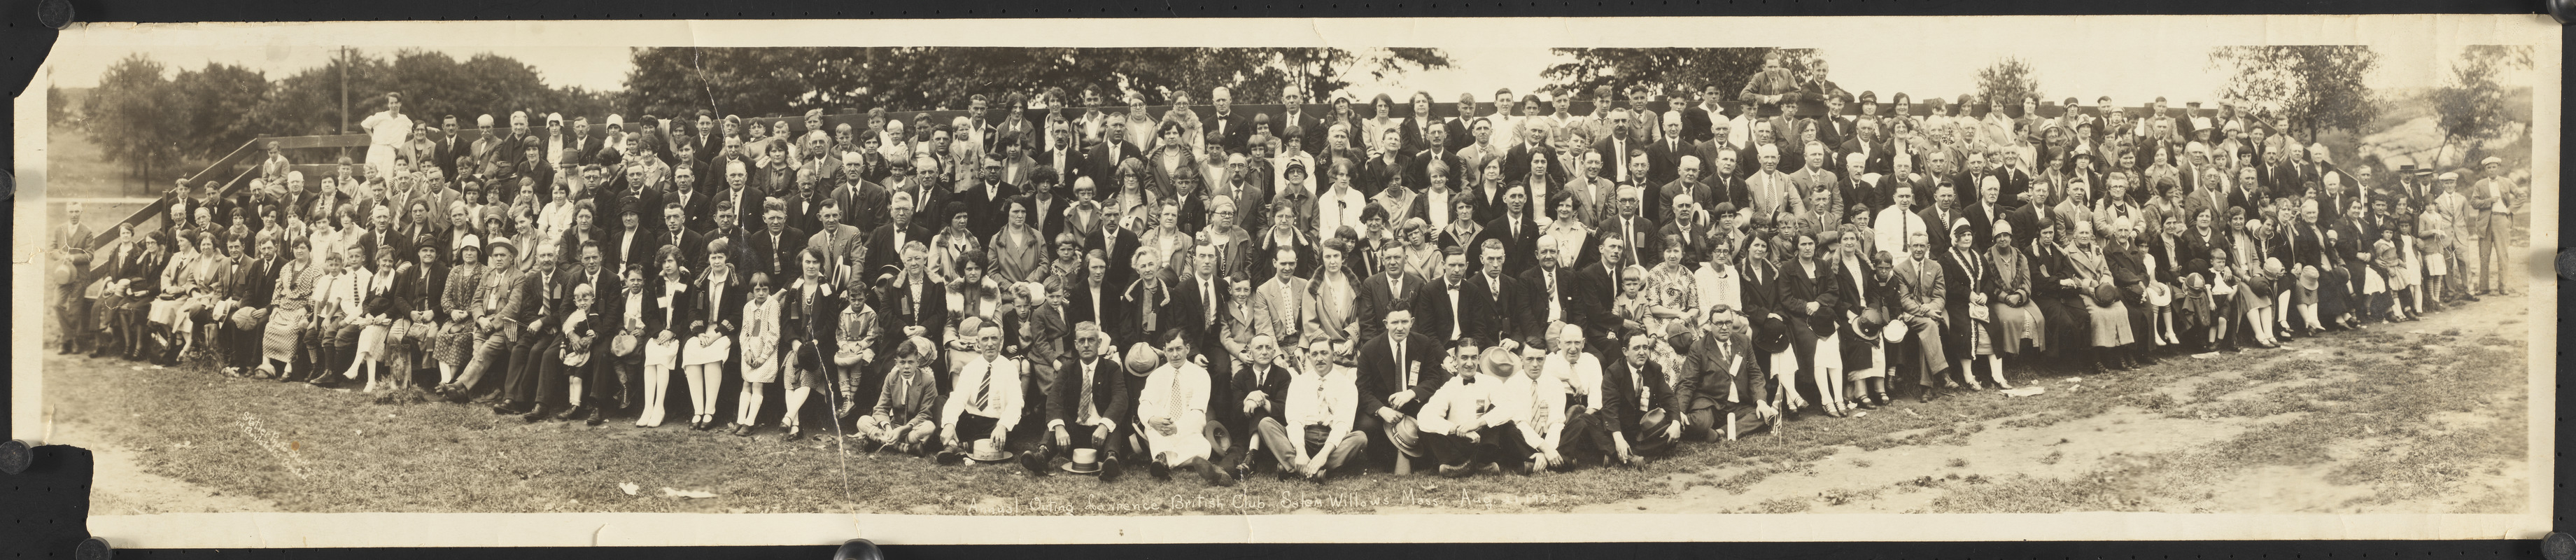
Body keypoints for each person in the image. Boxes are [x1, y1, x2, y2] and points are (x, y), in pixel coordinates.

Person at [1132, 330, 1233, 486]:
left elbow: (1198, 412)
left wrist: (1177, 427)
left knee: (1204, 447)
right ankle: (1172, 458)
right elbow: (1144, 403)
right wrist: (1152, 421)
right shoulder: (1156, 375)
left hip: (1187, 430)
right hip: (1161, 429)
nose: (1175, 355)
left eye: (1179, 349)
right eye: (1170, 350)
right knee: (1155, 429)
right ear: (1164, 351)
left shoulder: (1200, 375)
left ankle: (1163, 460)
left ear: (1187, 348)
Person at [938, 322, 1024, 465]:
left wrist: (1002, 425)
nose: (990, 344)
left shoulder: (1010, 368)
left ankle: (956, 445)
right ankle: (966, 443)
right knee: (941, 401)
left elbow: (1016, 402)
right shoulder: (971, 368)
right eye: (985, 339)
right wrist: (950, 423)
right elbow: (959, 398)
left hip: (995, 423)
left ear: (1001, 341)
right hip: (971, 421)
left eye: (994, 338)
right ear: (978, 343)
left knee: (1015, 426)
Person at [856, 337, 943, 456]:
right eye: (902, 362)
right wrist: (888, 429)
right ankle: (907, 448)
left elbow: (926, 414)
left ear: (918, 362)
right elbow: (881, 408)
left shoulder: (928, 381)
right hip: (893, 427)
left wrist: (902, 430)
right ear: (896, 362)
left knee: (929, 427)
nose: (906, 367)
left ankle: (879, 441)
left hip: (913, 429)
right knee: (863, 421)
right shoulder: (891, 377)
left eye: (911, 362)